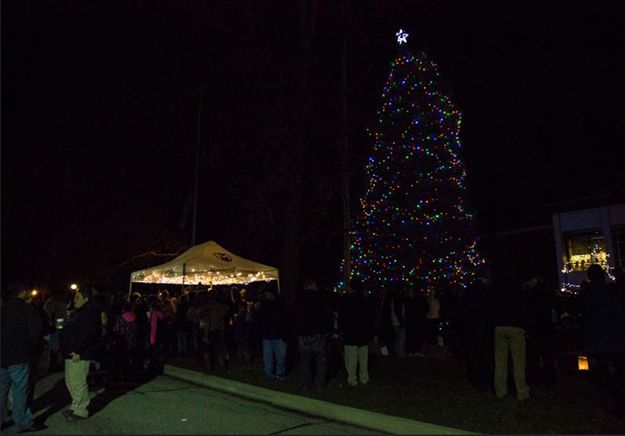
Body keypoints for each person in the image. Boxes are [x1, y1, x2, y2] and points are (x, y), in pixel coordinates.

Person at [1, 282, 45, 433]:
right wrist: (30, 348)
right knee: (20, 390)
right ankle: (22, 422)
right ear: (23, 292)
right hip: (19, 356)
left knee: (1, 391)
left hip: (2, 356)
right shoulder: (28, 310)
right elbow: (36, 333)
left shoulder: (3, 310)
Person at [59, 286, 103, 421]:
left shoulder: (89, 312)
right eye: (74, 297)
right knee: (71, 381)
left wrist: (77, 350)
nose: (74, 299)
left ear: (86, 298)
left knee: (77, 382)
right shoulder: (80, 311)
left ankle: (81, 410)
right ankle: (75, 405)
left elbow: (87, 334)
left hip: (79, 354)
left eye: (77, 297)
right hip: (72, 352)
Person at [489, 263, 530, 401]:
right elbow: (525, 309)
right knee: (518, 361)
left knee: (500, 360)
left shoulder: (496, 290)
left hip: (500, 326)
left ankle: (500, 390)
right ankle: (522, 391)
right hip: (516, 326)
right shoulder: (519, 291)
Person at [580, 264, 625, 388]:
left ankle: (606, 387)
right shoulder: (608, 290)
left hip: (597, 334)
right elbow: (617, 311)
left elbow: (586, 316)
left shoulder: (587, 293)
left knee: (602, 364)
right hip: (612, 332)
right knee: (617, 363)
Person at [291, 278, 333, 389]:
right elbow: (326, 315)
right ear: (311, 285)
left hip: (303, 333)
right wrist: (328, 330)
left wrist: (296, 331)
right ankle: (319, 384)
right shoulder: (320, 298)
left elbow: (293, 316)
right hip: (318, 333)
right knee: (320, 360)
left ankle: (306, 383)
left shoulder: (298, 299)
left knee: (305, 360)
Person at [338, 279, 374, 386]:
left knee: (351, 357)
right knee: (363, 357)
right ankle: (364, 378)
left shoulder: (347, 301)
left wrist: (341, 330)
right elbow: (369, 318)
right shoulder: (366, 301)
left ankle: (352, 378)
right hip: (363, 332)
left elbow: (342, 317)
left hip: (350, 332)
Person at [258, 287, 288, 381]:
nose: (266, 294)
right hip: (269, 335)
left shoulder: (279, 304)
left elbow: (285, 319)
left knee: (280, 356)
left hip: (277, 334)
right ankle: (270, 374)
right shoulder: (265, 304)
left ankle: (278, 373)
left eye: (268, 292)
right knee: (268, 357)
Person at [43, 290, 68, 372]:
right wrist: (51, 325)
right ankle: (52, 366)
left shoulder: (58, 302)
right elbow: (48, 314)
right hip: (55, 329)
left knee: (56, 347)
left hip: (59, 328)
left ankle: (54, 364)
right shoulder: (53, 303)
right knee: (54, 348)